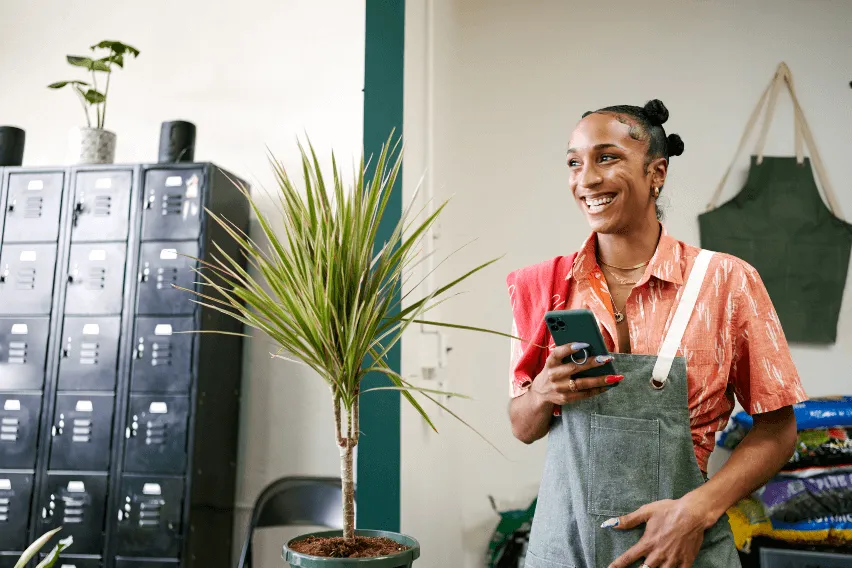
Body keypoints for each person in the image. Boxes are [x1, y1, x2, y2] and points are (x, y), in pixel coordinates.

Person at [505, 99, 807, 568]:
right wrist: (543, 391)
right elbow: (523, 426)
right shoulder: (542, 285)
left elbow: (778, 429)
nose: (586, 179)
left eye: (607, 157)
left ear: (656, 173)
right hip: (563, 550)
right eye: (573, 162)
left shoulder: (726, 282)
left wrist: (698, 509)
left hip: (683, 548)